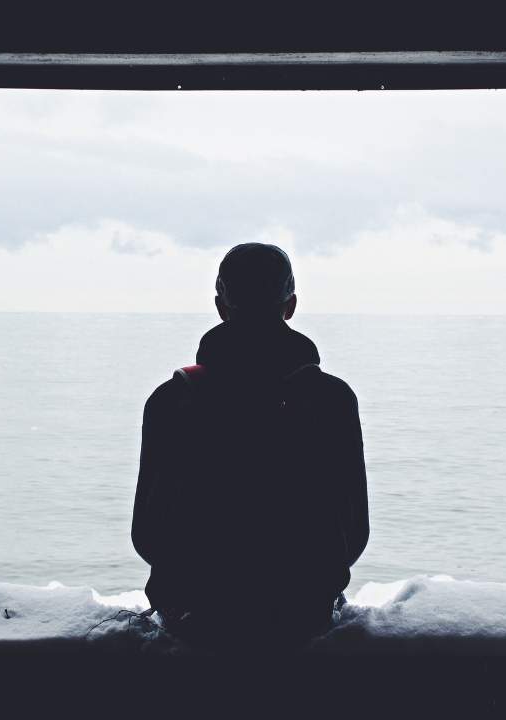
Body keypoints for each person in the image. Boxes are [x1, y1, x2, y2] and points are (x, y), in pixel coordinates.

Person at [131, 243, 369, 653]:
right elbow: (354, 532)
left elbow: (146, 534)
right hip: (301, 613)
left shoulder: (172, 400)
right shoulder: (332, 400)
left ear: (221, 305)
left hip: (194, 613)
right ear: (290, 305)